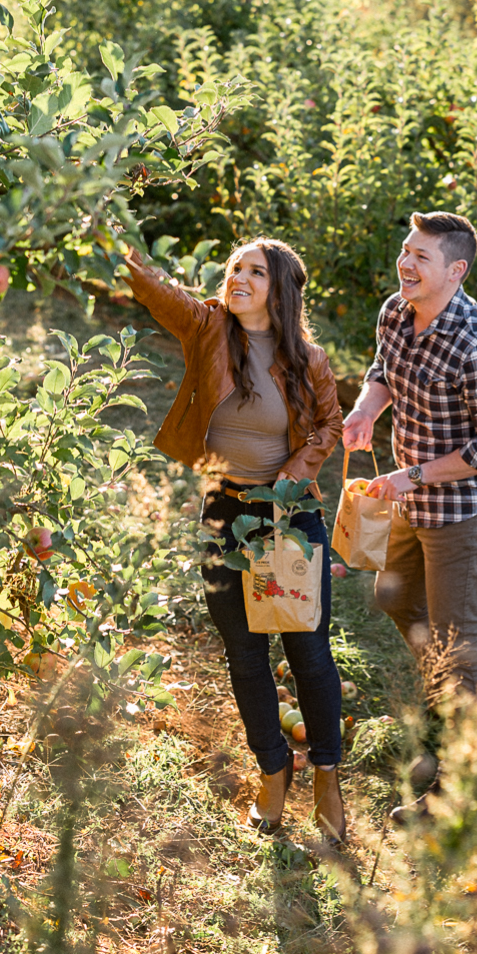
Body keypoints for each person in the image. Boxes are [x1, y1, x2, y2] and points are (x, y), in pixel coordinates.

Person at [122, 237, 347, 841]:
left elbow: (329, 423)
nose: (239, 278)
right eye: (234, 269)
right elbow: (156, 292)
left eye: (254, 271)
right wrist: (114, 240)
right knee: (244, 655)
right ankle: (274, 768)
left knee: (307, 653)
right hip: (225, 512)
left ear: (281, 288)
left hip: (287, 516)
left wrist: (295, 474)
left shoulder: (309, 360)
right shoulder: (209, 329)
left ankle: (326, 773)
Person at [341, 211, 477, 818]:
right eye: (406, 251)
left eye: (422, 257)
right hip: (409, 496)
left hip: (463, 509)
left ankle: (458, 789)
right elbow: (381, 373)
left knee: (457, 642)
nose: (407, 263)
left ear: (456, 270)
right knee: (394, 599)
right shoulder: (397, 310)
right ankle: (458, 701)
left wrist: (408, 475)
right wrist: (366, 410)